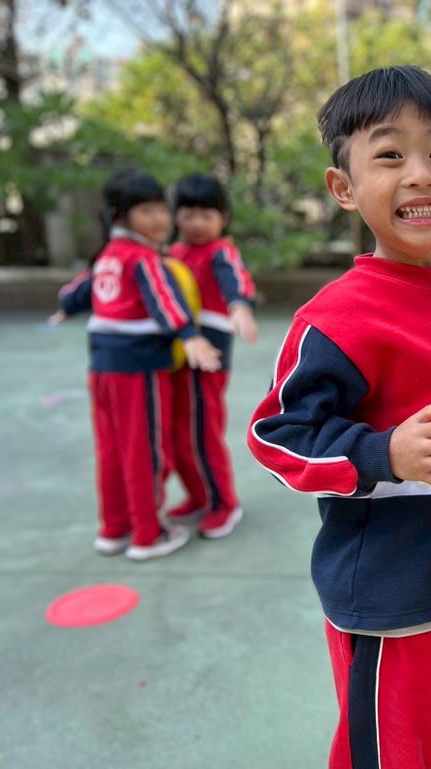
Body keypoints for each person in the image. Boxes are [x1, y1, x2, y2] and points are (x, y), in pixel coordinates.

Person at [246, 66, 431, 769]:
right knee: (390, 754)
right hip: (391, 600)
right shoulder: (337, 318)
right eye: (390, 155)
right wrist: (382, 453)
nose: (421, 173)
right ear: (344, 187)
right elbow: (277, 437)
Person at [52, 169, 222, 561]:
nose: (159, 219)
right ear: (119, 215)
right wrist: (189, 334)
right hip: (139, 368)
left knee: (111, 449)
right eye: (146, 211)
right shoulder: (144, 258)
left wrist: (65, 308)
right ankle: (148, 533)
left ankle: (114, 529)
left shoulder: (107, 256)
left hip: (102, 367)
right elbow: (165, 299)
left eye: (161, 209)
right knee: (143, 451)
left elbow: (76, 292)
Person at [162, 173, 257, 539]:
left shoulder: (221, 251)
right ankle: (199, 496)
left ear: (223, 218)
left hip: (210, 355)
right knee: (178, 431)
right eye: (189, 214)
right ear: (176, 216)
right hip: (176, 353)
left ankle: (224, 504)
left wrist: (240, 306)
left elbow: (236, 280)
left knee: (203, 431)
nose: (197, 223)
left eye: (207, 215)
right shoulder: (173, 253)